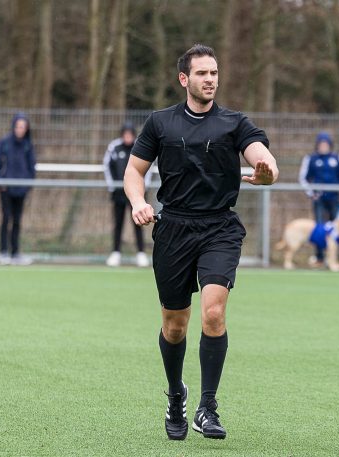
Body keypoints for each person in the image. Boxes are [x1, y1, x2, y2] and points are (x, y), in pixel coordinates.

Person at [124, 44, 278, 441]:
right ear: (184, 79)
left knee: (213, 314)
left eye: (214, 73)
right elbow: (134, 171)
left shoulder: (234, 122)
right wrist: (139, 202)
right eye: (202, 73)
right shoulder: (160, 123)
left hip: (219, 229)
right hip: (173, 228)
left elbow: (262, 156)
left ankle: (208, 407)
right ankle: (177, 395)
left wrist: (267, 170)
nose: (210, 79)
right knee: (175, 327)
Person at [299, 131, 339, 266]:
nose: (323, 146)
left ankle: (334, 259)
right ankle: (319, 257)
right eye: (321, 144)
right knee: (320, 228)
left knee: (337, 229)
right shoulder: (311, 159)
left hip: (335, 199)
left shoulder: (337, 158)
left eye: (325, 144)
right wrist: (311, 193)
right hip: (319, 199)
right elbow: (304, 178)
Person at [103, 122, 150, 267]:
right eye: (125, 134)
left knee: (138, 222)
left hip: (137, 195)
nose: (128, 137)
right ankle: (116, 252)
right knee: (118, 223)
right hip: (118, 194)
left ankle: (141, 254)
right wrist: (113, 186)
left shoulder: (140, 146)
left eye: (130, 134)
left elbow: (148, 166)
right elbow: (106, 166)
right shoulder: (114, 147)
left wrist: (143, 188)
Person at [0, 113, 36, 266]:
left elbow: (32, 166)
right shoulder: (4, 143)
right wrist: (0, 182)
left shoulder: (27, 145)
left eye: (23, 127)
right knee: (6, 219)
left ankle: (15, 252)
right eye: (18, 126)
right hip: (6, 189)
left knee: (17, 220)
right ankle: (3, 252)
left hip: (21, 189)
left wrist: (28, 183)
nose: (20, 129)